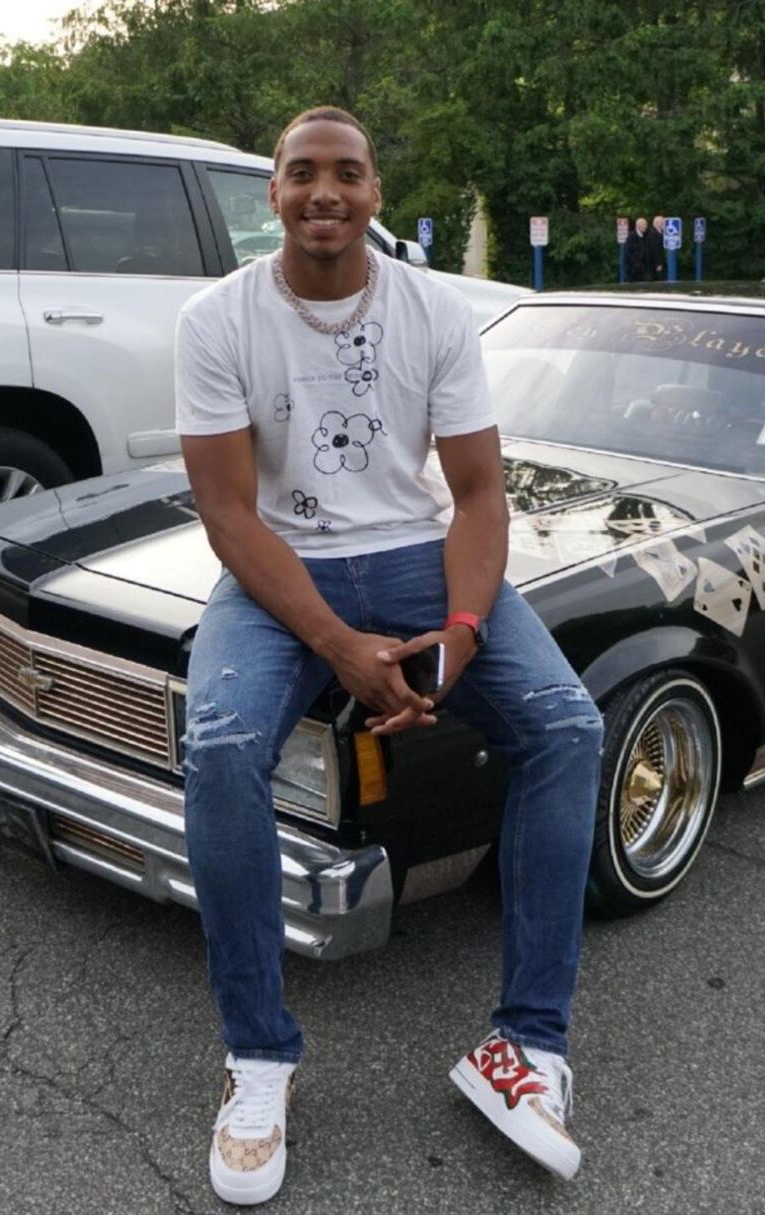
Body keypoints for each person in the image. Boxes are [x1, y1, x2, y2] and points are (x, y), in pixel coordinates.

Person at [174, 105, 604, 1206]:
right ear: (271, 193)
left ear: (373, 192)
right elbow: (228, 516)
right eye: (302, 172)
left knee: (566, 726)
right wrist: (337, 646)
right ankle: (259, 1060)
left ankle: (527, 1050)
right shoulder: (217, 319)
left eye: (348, 174)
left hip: (419, 558)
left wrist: (460, 632)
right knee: (218, 743)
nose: (325, 191)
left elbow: (475, 493)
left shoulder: (433, 311)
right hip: (280, 575)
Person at [625, 215, 650, 282]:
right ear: (638, 225)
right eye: (644, 224)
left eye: (646, 224)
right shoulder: (631, 236)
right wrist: (635, 264)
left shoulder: (645, 236)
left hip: (643, 269)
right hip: (634, 270)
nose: (646, 226)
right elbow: (628, 252)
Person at [647, 215, 667, 280]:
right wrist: (658, 264)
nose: (664, 225)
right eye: (663, 223)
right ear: (658, 223)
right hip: (656, 264)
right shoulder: (653, 234)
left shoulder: (660, 233)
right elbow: (654, 250)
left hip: (659, 263)